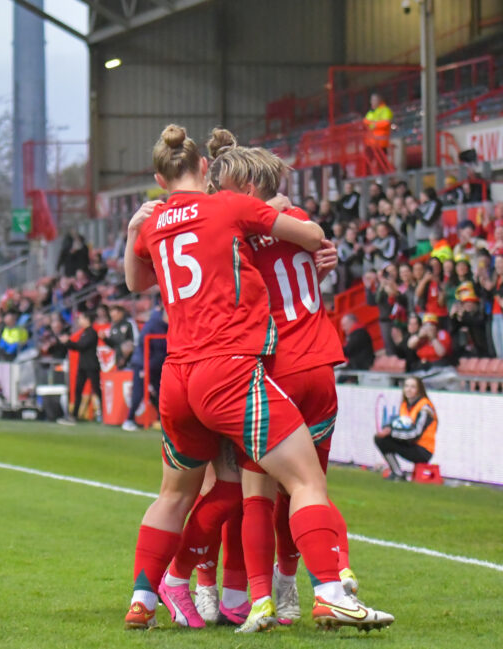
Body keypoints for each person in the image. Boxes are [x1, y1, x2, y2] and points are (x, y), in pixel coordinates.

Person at [123, 124, 392, 633]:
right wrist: (295, 220)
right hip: (239, 368)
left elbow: (136, 281)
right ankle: (311, 591)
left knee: (199, 492)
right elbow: (309, 236)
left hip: (180, 374)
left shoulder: (157, 222)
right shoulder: (228, 208)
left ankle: (155, 593)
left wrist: (134, 230)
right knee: (297, 483)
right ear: (205, 169)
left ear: (160, 177)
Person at [375, 377, 436, 481]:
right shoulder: (405, 405)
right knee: (380, 439)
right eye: (406, 386)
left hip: (423, 450)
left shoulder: (425, 408)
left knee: (385, 438)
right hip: (410, 443)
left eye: (413, 387)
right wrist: (388, 428)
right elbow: (399, 424)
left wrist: (391, 432)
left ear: (419, 389)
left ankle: (398, 474)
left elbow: (415, 433)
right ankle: (397, 472)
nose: (408, 389)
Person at [122, 304, 167, 432]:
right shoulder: (153, 324)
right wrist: (144, 367)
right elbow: (144, 344)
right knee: (138, 392)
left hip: (157, 364)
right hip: (144, 363)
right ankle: (129, 419)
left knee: (161, 393)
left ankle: (163, 420)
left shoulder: (166, 325)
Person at [61, 310, 102, 423]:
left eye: (81, 318)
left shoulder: (92, 333)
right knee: (78, 390)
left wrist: (68, 342)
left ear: (87, 320)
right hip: (83, 365)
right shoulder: (84, 332)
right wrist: (68, 343)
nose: (79, 320)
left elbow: (82, 346)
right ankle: (74, 415)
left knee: (97, 390)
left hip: (91, 365)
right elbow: (78, 346)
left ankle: (105, 413)